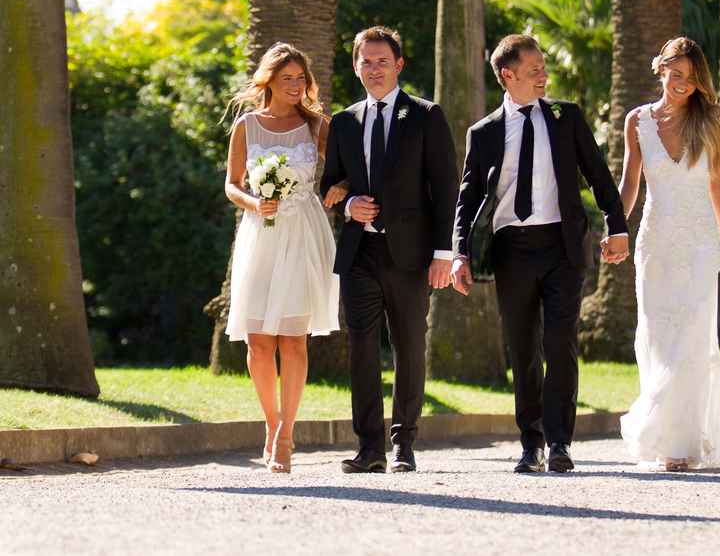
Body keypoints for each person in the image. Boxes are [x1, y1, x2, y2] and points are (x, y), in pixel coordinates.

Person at [451, 34, 628, 474]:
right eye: (534, 71)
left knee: (560, 342)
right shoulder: (485, 132)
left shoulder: (566, 117)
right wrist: (459, 254)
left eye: (544, 67)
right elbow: (467, 197)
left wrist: (617, 225)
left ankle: (560, 442)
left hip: (562, 246)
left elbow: (599, 176)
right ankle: (530, 444)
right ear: (507, 76)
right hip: (512, 249)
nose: (543, 76)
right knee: (524, 347)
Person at [320, 26, 458, 474]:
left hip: (411, 256)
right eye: (366, 61)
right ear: (356, 66)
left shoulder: (425, 115)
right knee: (361, 349)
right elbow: (332, 185)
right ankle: (370, 448)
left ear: (398, 65)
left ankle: (404, 444)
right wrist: (349, 204)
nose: (374, 69)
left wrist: (443, 254)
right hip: (360, 254)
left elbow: (445, 188)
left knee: (408, 347)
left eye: (382, 61)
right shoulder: (342, 122)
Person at [616, 37, 720, 470]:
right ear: (660, 69)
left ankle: (681, 446)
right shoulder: (637, 122)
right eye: (677, 74)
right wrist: (616, 228)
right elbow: (630, 183)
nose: (684, 84)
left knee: (691, 337)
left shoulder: (714, 119)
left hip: (700, 242)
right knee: (656, 334)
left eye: (692, 77)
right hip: (655, 243)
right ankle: (667, 432)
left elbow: (718, 184)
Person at [224, 43, 342, 474]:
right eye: (287, 78)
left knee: (293, 338)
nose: (295, 86)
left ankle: (288, 433)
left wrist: (340, 189)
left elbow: (347, 169)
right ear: (269, 80)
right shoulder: (247, 126)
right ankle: (271, 425)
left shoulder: (317, 126)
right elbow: (232, 184)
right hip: (261, 233)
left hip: (303, 232)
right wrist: (254, 204)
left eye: (300, 79)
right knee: (258, 339)